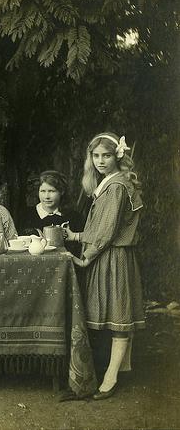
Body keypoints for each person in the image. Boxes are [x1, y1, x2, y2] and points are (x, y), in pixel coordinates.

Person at [65, 132, 144, 400]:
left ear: (117, 156)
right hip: (111, 253)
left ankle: (110, 379)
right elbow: (100, 228)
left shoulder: (117, 187)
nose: (100, 161)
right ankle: (123, 368)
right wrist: (77, 236)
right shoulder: (110, 185)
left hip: (113, 256)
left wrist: (86, 255)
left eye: (106, 155)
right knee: (117, 311)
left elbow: (106, 232)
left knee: (118, 315)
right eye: (96, 156)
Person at [19, 170, 84, 255]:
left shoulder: (74, 217)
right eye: (43, 191)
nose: (46, 197)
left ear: (62, 192)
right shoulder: (26, 216)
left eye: (52, 191)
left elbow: (79, 249)